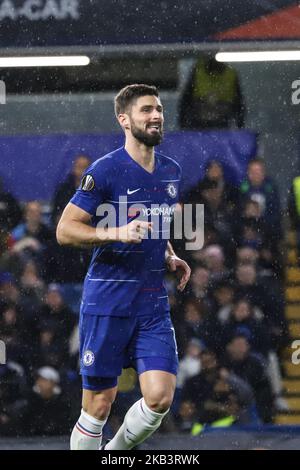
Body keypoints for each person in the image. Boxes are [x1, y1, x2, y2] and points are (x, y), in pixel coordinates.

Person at [56, 84, 191, 451]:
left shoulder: (172, 171)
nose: (156, 116)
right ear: (124, 119)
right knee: (99, 404)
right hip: (108, 299)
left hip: (151, 303)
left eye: (159, 109)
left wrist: (168, 255)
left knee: (160, 397)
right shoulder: (105, 170)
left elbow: (156, 221)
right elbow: (65, 230)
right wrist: (117, 232)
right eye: (146, 109)